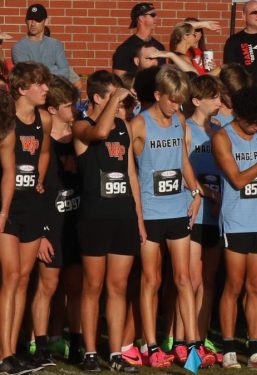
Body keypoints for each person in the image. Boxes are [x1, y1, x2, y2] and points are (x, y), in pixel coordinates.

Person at [130, 66, 211, 368]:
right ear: (157, 95)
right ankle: (151, 346)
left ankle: (191, 344)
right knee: (151, 280)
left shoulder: (179, 121)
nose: (178, 107)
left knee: (184, 278)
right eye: (173, 100)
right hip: (151, 213)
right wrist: (138, 215)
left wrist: (195, 192)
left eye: (181, 101)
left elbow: (183, 163)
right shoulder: (139, 124)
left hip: (177, 209)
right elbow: (133, 176)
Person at [72, 71, 142, 373]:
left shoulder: (124, 127)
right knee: (93, 285)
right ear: (98, 97)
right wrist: (116, 98)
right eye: (113, 95)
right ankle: (89, 352)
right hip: (95, 215)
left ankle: (115, 353)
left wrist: (138, 219)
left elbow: (130, 175)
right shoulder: (82, 126)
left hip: (123, 214)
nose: (121, 101)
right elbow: (99, 134)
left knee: (119, 286)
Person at [212, 86, 257, 369]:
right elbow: (238, 180)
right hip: (235, 222)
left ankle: (255, 348)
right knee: (234, 286)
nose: (256, 127)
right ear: (239, 114)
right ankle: (229, 347)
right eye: (252, 121)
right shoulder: (222, 138)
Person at [1, 62, 52, 375]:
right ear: (22, 89)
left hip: (31, 204)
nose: (45, 89)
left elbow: (43, 153)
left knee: (22, 280)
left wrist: (39, 179)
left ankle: (12, 349)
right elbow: (7, 170)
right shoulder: (7, 123)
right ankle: (3, 352)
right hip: (9, 205)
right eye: (40, 84)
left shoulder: (43, 119)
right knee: (8, 279)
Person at [30, 75, 83, 368]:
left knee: (75, 287)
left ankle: (75, 344)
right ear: (51, 109)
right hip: (50, 222)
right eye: (66, 105)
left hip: (76, 222)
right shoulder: (43, 142)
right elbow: (35, 192)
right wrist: (41, 234)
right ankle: (40, 345)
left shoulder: (80, 135)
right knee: (47, 286)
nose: (73, 109)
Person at [185, 75, 224, 362]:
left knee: (208, 280)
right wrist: (203, 193)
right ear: (197, 100)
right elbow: (182, 169)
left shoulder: (219, 130)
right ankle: (186, 338)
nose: (219, 102)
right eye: (213, 97)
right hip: (195, 210)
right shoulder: (186, 129)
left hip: (217, 212)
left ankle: (201, 336)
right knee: (192, 279)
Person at [0, 88, 17, 375]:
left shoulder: (6, 130)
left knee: (12, 274)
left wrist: (3, 212)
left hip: (4, 212)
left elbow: (9, 173)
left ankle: (6, 353)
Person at [11, 4, 70, 79]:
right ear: (26, 21)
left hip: (54, 90)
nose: (33, 24)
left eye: (37, 20)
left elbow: (66, 72)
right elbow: (28, 76)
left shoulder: (56, 44)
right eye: (30, 19)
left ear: (46, 22)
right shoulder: (19, 47)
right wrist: (54, 70)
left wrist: (42, 74)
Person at [113, 2, 165, 76]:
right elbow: (119, 80)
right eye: (152, 15)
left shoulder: (159, 46)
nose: (156, 18)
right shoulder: (125, 48)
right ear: (141, 18)